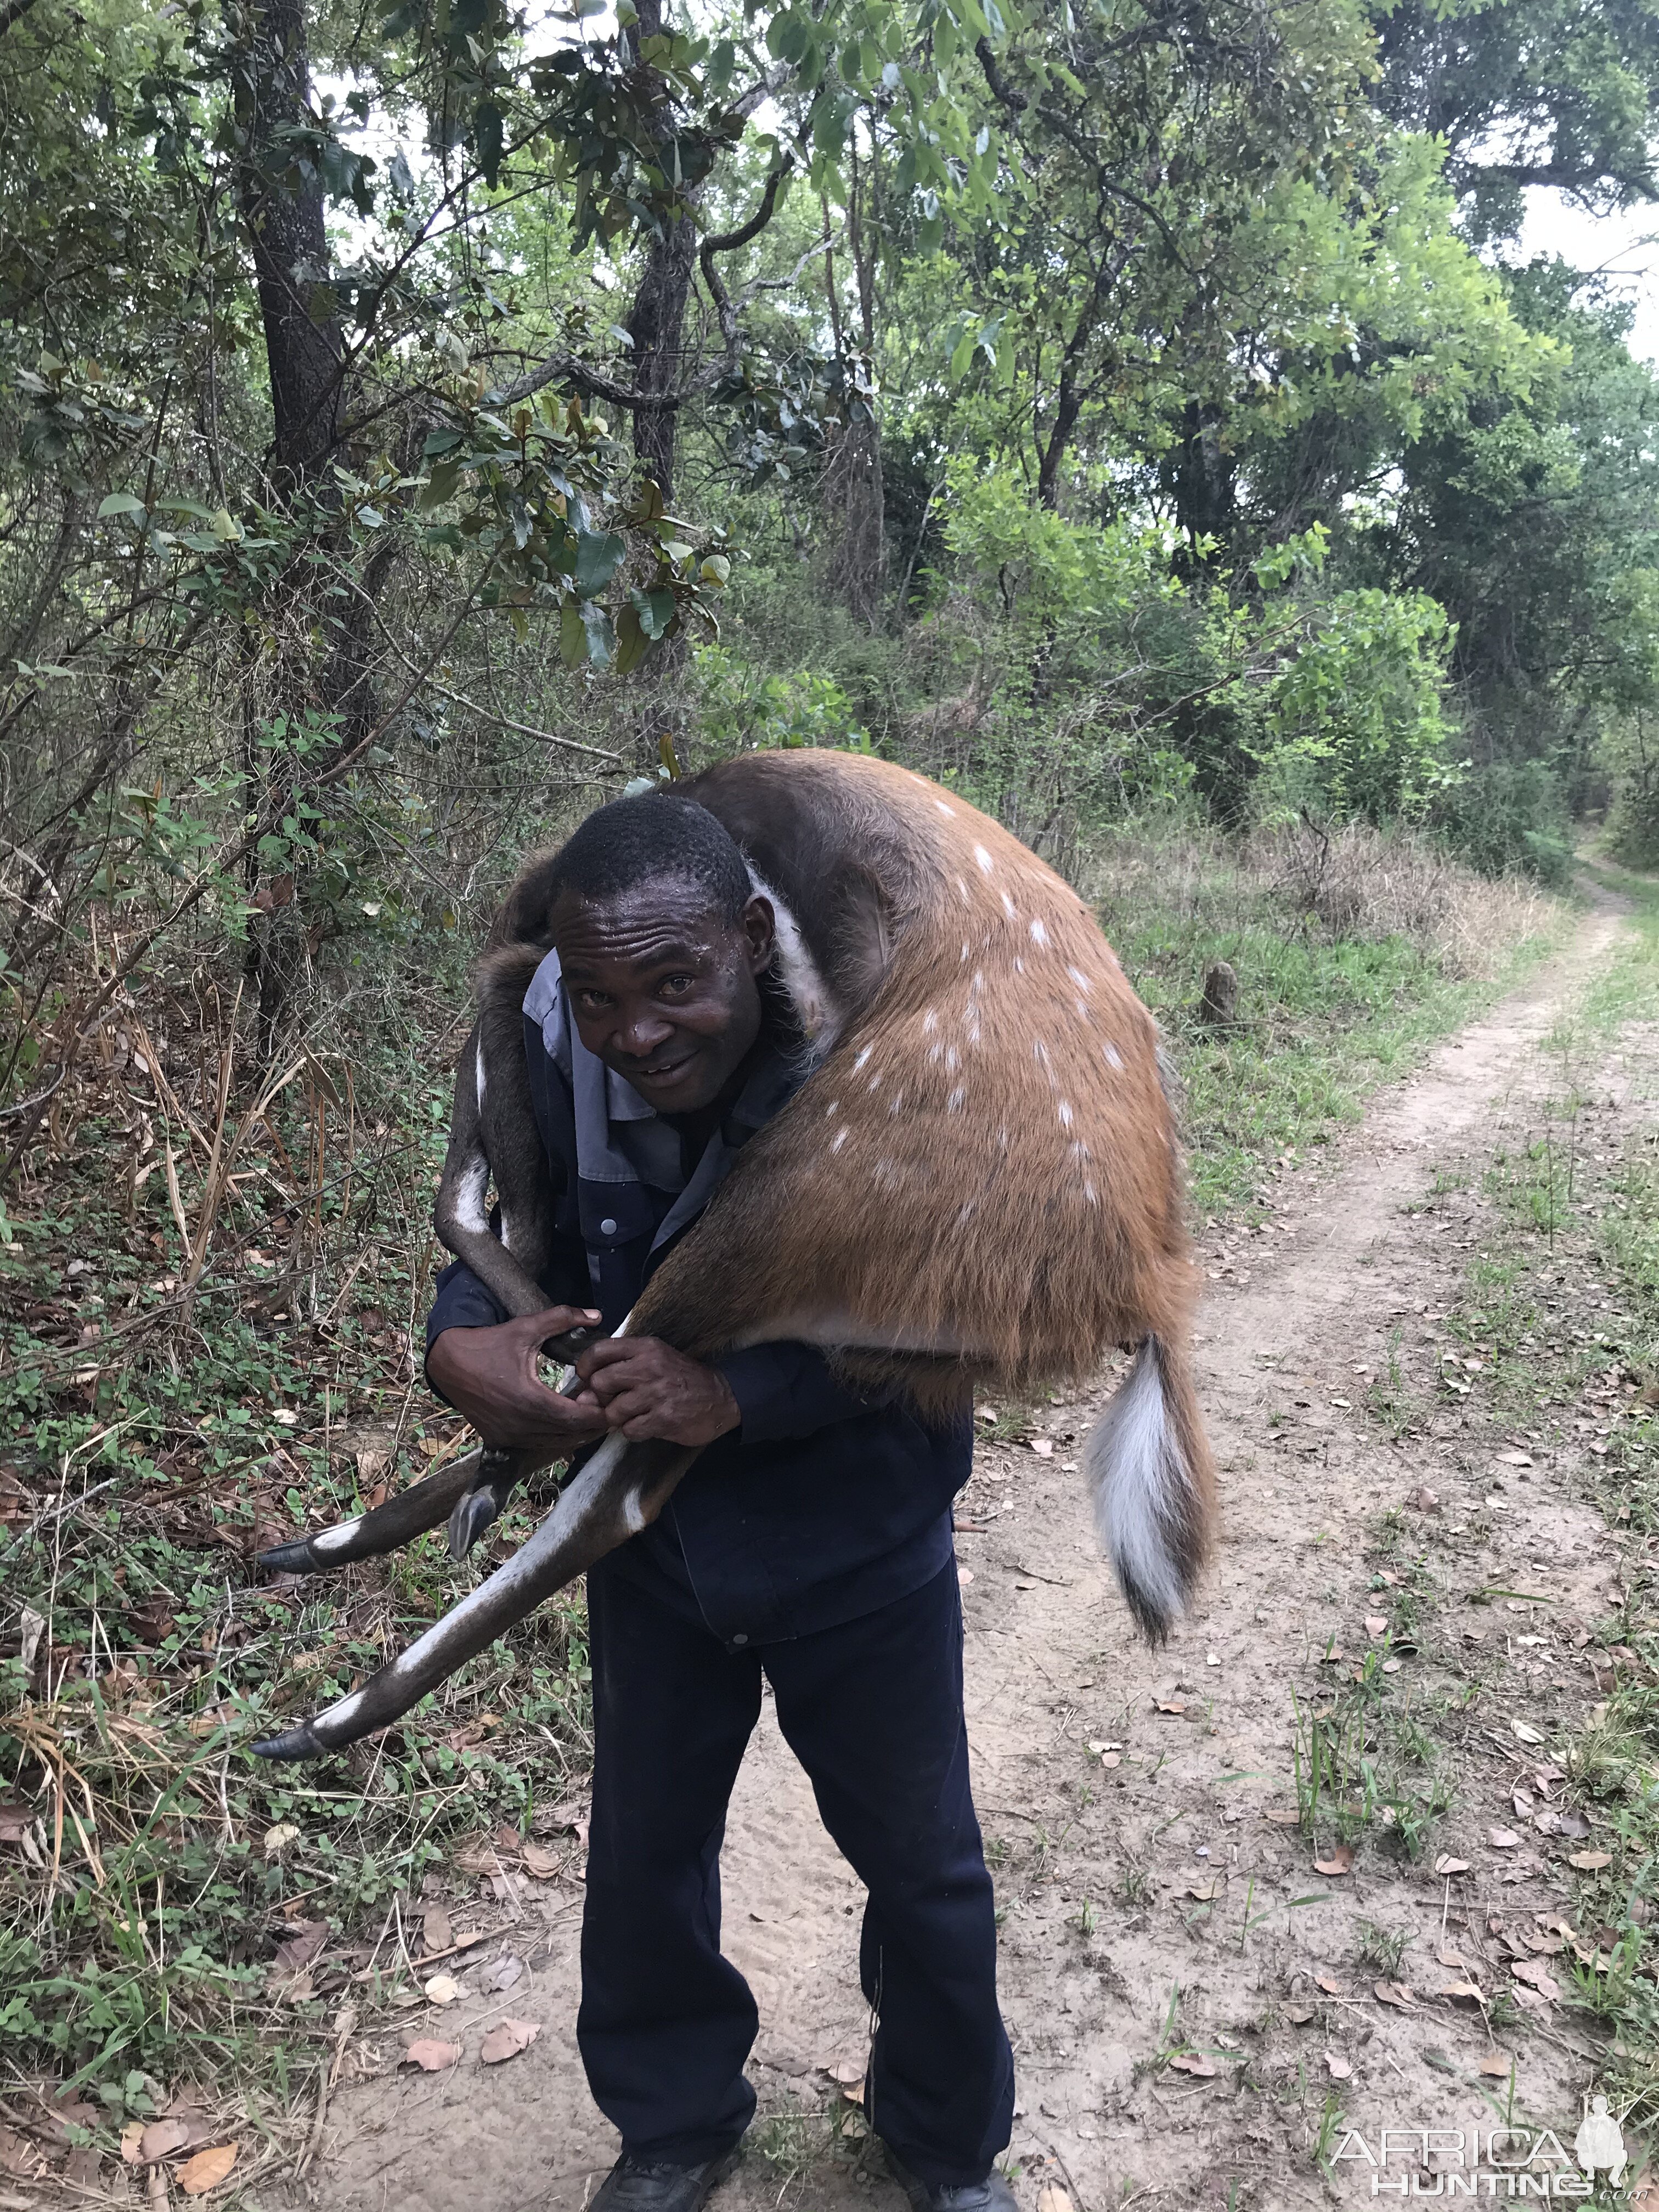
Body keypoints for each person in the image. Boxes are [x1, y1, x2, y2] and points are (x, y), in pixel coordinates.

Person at [425, 791, 1015, 2212]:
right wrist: (463, 1349)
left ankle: (945, 2145)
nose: (636, 1033)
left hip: (858, 1547)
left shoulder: (893, 1057)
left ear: (753, 941)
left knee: (922, 1866)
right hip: (652, 1545)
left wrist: (743, 1394)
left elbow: (971, 1307)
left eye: (675, 984)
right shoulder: (544, 1039)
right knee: (642, 1858)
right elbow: (496, 1230)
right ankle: (675, 2125)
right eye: (604, 991)